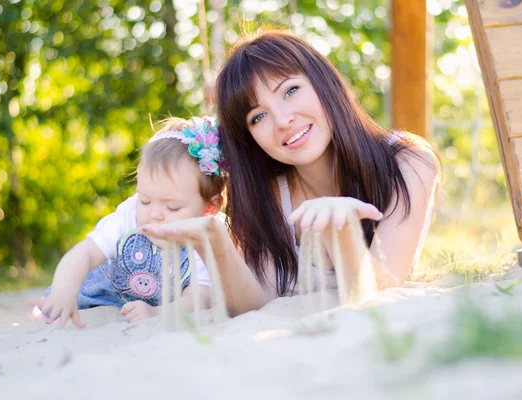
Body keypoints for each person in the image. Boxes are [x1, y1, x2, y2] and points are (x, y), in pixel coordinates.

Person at [139, 31, 441, 316]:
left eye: (290, 91)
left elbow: (382, 293)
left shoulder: (410, 162)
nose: (283, 120)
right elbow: (256, 304)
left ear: (324, 83)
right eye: (258, 116)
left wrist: (338, 228)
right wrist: (215, 242)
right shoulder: (268, 191)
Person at [35, 116, 225, 327]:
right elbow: (85, 253)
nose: (155, 214)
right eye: (145, 200)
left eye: (172, 207)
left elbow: (200, 297)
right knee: (58, 299)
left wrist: (156, 313)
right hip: (94, 299)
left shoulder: (206, 237)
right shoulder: (129, 214)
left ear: (210, 207)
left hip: (153, 307)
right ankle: (54, 302)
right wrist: (63, 291)